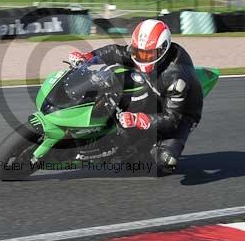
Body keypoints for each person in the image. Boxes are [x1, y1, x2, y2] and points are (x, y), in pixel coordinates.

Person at [68, 19, 203, 174]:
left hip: (182, 112)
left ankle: (139, 151)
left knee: (165, 161)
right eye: (138, 52)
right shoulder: (141, 51)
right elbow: (115, 52)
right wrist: (88, 57)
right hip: (152, 89)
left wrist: (139, 119)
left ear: (163, 50)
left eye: (147, 55)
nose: (141, 58)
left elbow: (172, 119)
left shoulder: (176, 78)